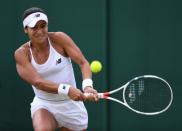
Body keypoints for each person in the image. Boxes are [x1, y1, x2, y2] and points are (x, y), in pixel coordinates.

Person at [14, 7, 98, 131]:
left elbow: (83, 62)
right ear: (26, 29)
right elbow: (38, 82)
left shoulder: (59, 39)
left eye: (43, 26)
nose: (40, 31)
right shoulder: (22, 54)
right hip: (45, 104)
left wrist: (87, 86)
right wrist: (67, 89)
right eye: (34, 27)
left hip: (71, 106)